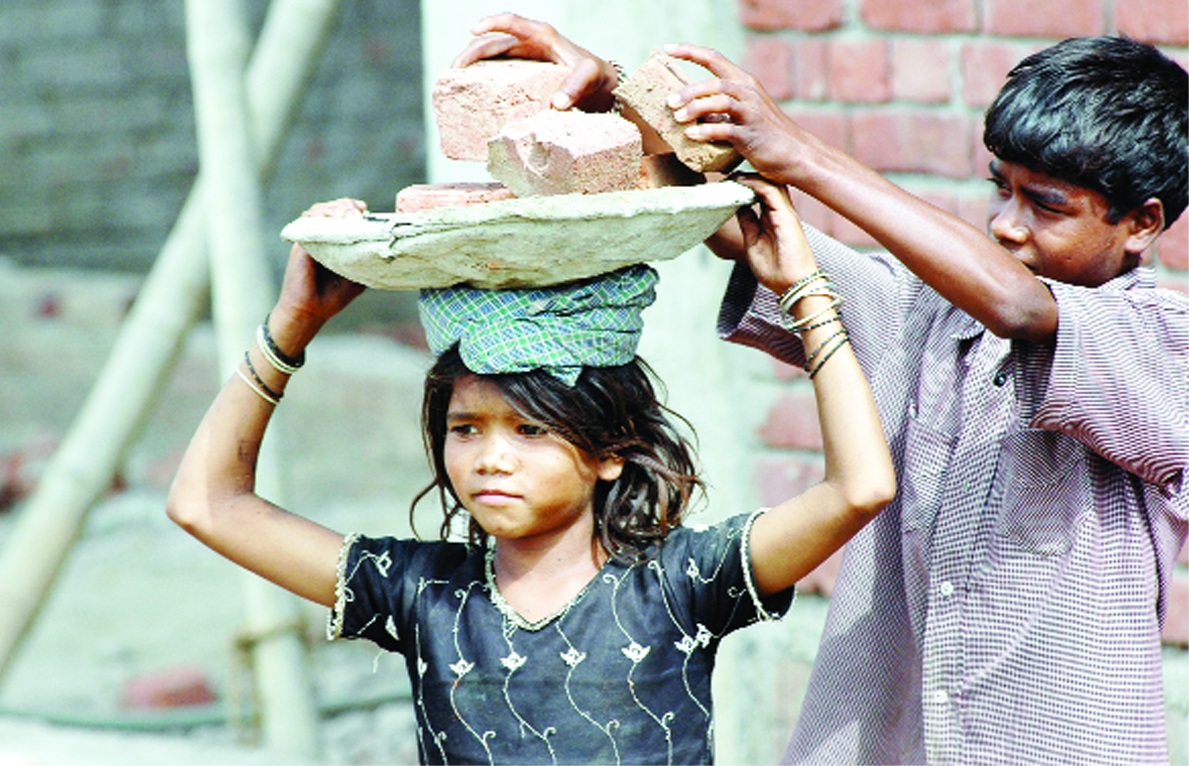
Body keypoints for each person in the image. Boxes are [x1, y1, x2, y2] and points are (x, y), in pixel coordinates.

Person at [454, 15, 1189, 765]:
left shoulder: (1163, 349)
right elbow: (734, 223)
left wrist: (799, 153)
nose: (1007, 226)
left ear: (1141, 224)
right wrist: (618, 99)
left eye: (1047, 206)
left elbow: (1020, 308)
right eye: (1000, 191)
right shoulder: (924, 315)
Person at [166, 175, 896, 762]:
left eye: (529, 430)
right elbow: (206, 504)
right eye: (465, 429)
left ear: (609, 451)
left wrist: (803, 293)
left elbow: (860, 489)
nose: (491, 457)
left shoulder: (682, 581)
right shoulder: (422, 593)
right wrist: (292, 327)